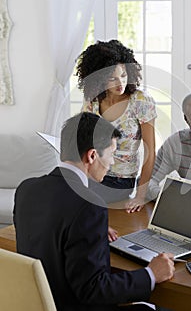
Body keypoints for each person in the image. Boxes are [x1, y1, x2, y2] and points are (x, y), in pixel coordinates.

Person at [13, 112, 175, 311]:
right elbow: (94, 290)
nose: (112, 163)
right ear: (92, 155)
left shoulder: (27, 189)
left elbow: (54, 231)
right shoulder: (89, 205)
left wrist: (88, 230)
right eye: (111, 154)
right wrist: (151, 274)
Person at [76, 40, 157, 213]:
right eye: (112, 78)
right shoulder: (92, 100)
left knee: (79, 201)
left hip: (119, 180)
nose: (120, 83)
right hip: (91, 171)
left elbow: (150, 152)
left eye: (123, 75)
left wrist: (140, 195)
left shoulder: (140, 101)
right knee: (58, 187)